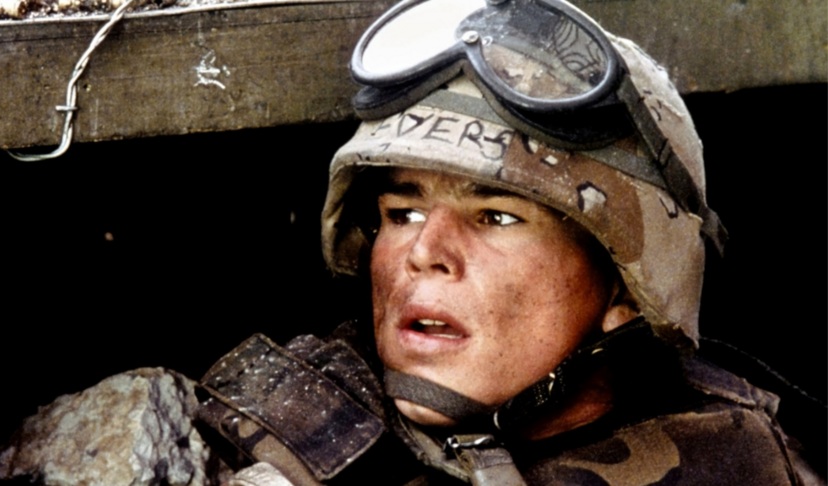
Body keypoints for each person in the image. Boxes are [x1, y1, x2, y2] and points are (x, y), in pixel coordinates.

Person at [195, 0, 824, 485]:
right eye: (403, 212)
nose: (424, 252)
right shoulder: (264, 442)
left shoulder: (741, 456)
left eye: (496, 217)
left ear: (627, 289)